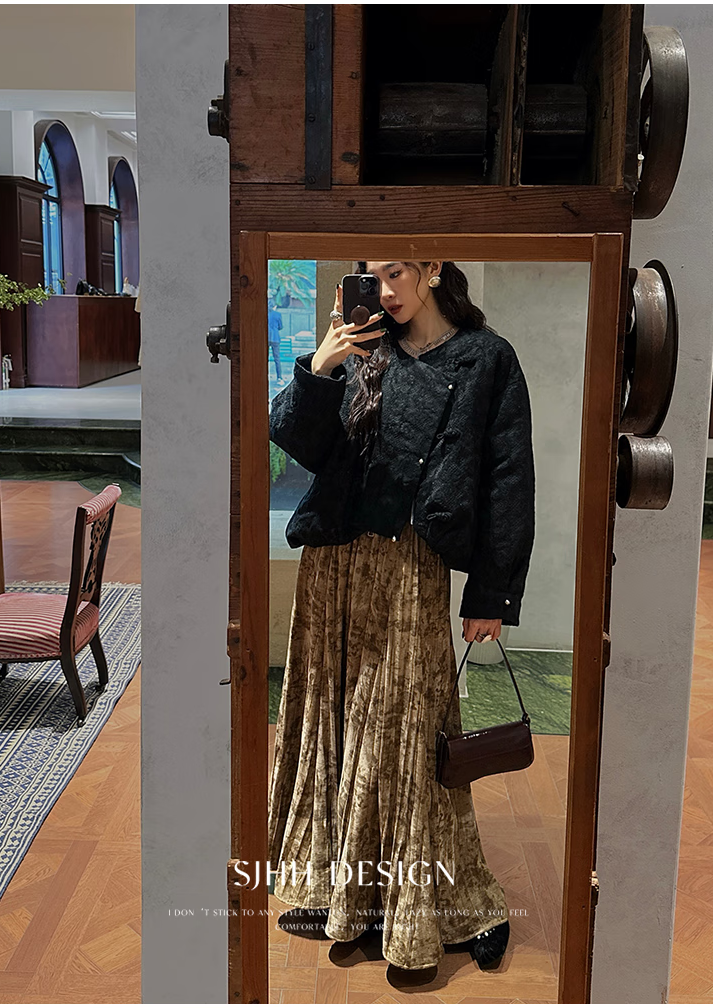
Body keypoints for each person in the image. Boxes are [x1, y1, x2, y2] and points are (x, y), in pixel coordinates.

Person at [267, 260, 535, 975]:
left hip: (413, 564)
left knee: (413, 734)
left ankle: (453, 906)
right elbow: (301, 447)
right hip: (333, 562)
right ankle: (343, 893)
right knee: (333, 722)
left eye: (396, 273)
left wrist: (492, 594)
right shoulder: (361, 346)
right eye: (369, 276)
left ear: (434, 268)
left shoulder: (485, 358)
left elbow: (509, 476)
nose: (383, 292)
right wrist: (321, 368)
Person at [268, 299, 285, 384]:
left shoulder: (265, 314)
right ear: (274, 306)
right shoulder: (278, 314)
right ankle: (279, 377)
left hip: (266, 338)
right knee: (277, 359)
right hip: (275, 338)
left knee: (265, 358)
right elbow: (280, 326)